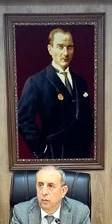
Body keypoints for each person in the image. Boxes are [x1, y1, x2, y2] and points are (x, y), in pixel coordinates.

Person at [17, 28, 94, 159]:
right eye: (60, 47)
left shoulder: (80, 81)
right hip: (54, 156)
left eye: (70, 47)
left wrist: (87, 139)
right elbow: (22, 119)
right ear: (50, 49)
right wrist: (43, 150)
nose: (65, 53)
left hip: (82, 156)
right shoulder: (36, 82)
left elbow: (88, 116)